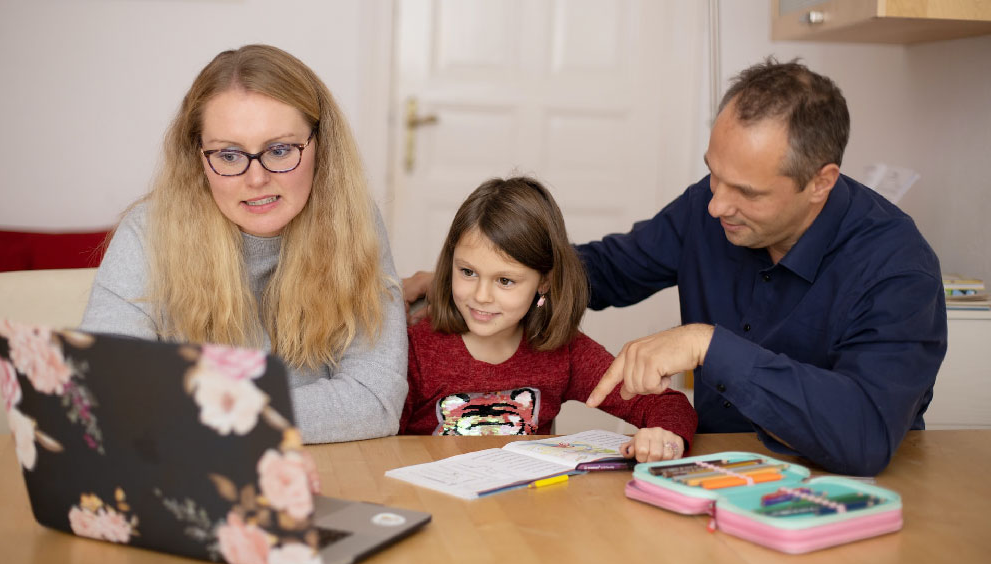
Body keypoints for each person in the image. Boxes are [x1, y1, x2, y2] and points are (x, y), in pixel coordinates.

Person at [404, 58, 947, 476]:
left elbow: (866, 435)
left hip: (837, 485)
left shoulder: (898, 269)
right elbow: (607, 269)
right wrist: (504, 274)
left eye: (747, 192)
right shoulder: (707, 210)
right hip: (706, 472)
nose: (715, 206)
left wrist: (709, 345)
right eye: (714, 175)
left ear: (820, 183)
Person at [81, 44, 407, 443]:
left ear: (321, 146)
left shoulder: (355, 223)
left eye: (280, 149)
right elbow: (105, 396)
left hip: (328, 470)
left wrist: (192, 412)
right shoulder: (147, 234)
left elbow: (375, 402)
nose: (256, 179)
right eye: (229, 155)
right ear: (197, 157)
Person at [400, 177, 697, 462]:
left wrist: (664, 437)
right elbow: (378, 443)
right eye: (468, 272)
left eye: (504, 280)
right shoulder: (416, 351)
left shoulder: (564, 352)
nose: (481, 295)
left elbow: (667, 403)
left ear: (544, 283)